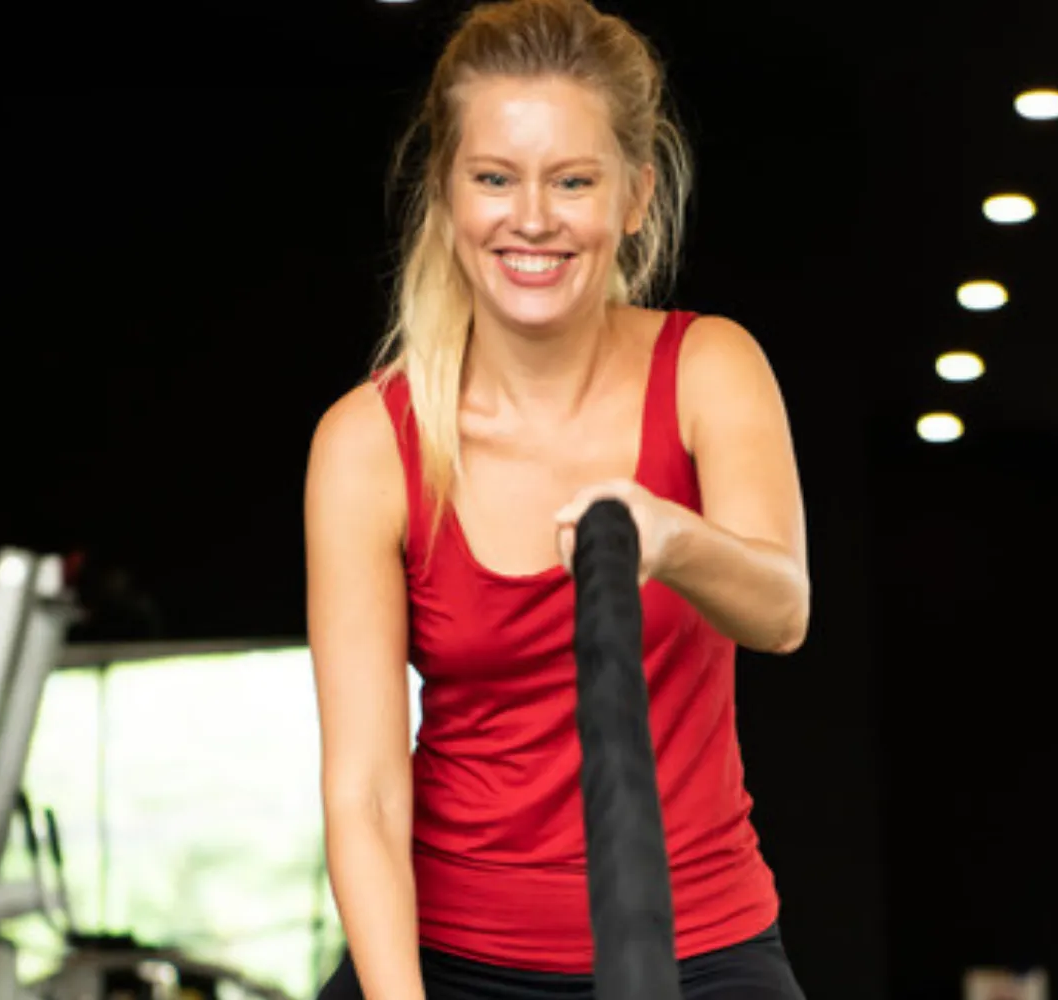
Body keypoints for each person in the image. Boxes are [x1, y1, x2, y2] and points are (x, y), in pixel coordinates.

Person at [302, 0, 810, 997]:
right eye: (494, 178)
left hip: (698, 947)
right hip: (450, 954)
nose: (531, 218)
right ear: (446, 195)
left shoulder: (709, 368)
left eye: (572, 180)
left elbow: (782, 610)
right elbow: (364, 793)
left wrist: (673, 539)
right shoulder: (368, 442)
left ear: (635, 195)